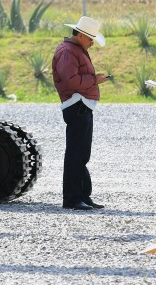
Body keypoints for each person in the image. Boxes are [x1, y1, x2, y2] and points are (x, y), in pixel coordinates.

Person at [52, 15, 110, 211]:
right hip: (77, 104)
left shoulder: (72, 50)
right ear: (82, 35)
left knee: (81, 153)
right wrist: (95, 80)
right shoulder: (68, 51)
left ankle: (82, 196)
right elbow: (71, 81)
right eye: (91, 38)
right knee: (77, 153)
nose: (92, 42)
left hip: (81, 105)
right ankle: (72, 198)